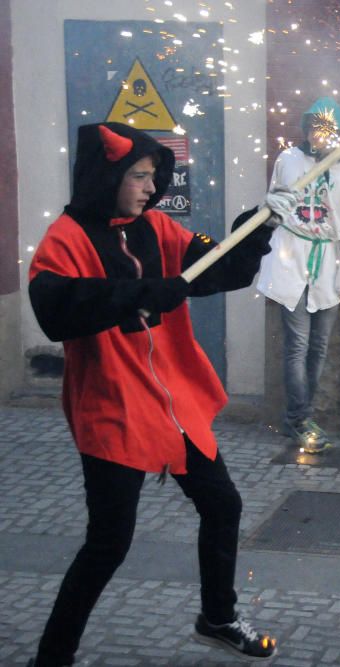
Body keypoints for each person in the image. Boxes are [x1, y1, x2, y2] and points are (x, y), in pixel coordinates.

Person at [26, 122, 280, 665]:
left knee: (223, 505)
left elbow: (213, 272)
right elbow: (55, 308)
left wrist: (252, 234)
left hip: (174, 400)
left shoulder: (156, 228)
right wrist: (139, 293)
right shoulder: (64, 239)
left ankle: (216, 617)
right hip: (114, 406)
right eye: (137, 176)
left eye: (152, 176)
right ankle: (52, 657)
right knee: (108, 544)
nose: (149, 186)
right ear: (108, 175)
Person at [257, 96, 340, 454]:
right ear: (306, 128)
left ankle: (301, 415)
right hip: (291, 255)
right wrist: (271, 207)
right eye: (313, 127)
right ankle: (299, 417)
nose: (318, 135)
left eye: (326, 129)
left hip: (328, 261)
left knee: (318, 347)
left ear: (339, 133)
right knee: (298, 345)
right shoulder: (288, 160)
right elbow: (272, 207)